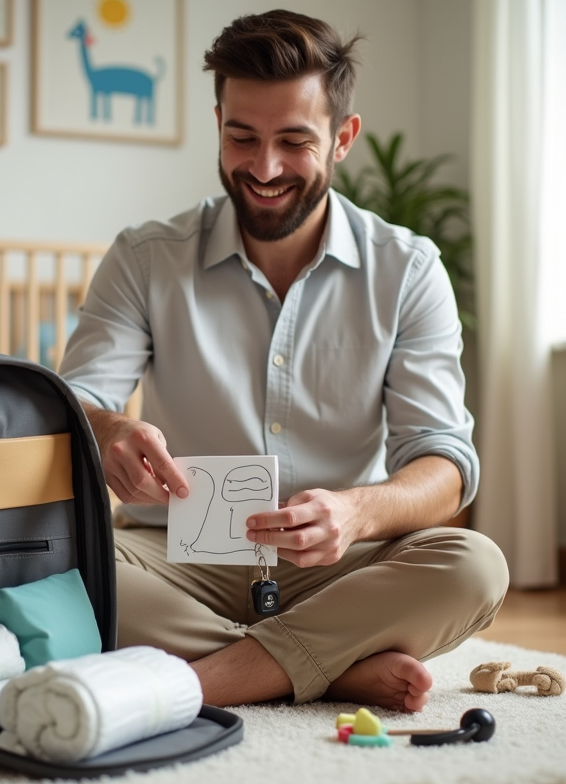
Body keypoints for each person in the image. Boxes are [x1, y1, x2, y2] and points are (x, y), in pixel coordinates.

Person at [58, 9, 509, 713]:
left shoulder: (409, 270)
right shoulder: (145, 258)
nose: (264, 168)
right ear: (218, 124)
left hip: (336, 566)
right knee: (51, 562)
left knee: (474, 566)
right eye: (243, 137)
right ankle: (329, 665)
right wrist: (109, 431)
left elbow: (445, 467)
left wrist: (357, 513)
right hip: (173, 560)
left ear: (342, 139)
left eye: (294, 141)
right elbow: (72, 401)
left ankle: (202, 680)